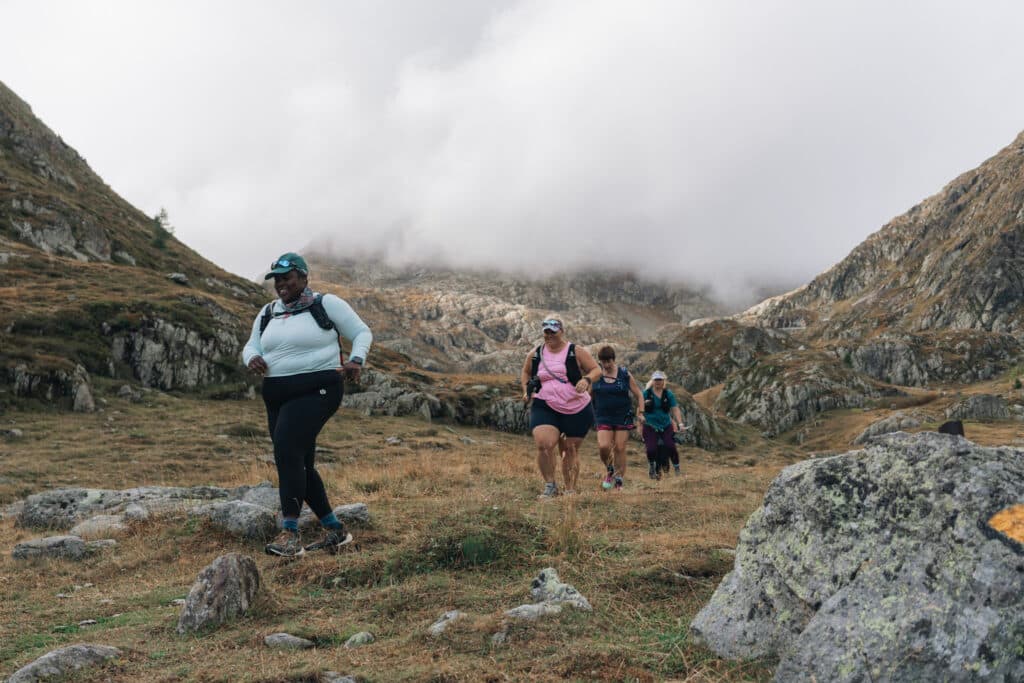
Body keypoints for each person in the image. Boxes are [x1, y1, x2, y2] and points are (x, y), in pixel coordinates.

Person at [242, 252, 373, 557]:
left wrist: (356, 360)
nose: (281, 285)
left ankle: (290, 534)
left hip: (318, 390)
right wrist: (252, 358)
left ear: (303, 277)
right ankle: (335, 530)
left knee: (286, 449)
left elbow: (361, 332)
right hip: (276, 395)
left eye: (286, 278)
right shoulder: (268, 312)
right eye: (276, 279)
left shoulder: (325, 304)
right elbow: (252, 344)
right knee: (299, 463)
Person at [520, 318, 600, 497]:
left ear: (561, 331)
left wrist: (586, 380)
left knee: (569, 449)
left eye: (552, 331)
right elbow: (525, 371)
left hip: (577, 407)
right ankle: (550, 486)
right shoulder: (535, 353)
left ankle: (570, 489)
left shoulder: (575, 351)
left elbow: (596, 370)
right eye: (546, 331)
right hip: (545, 404)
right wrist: (526, 389)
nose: (549, 335)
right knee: (544, 444)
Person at [590, 345, 645, 491]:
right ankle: (610, 470)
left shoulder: (624, 374)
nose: (606, 365)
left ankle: (619, 481)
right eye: (603, 362)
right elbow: (588, 396)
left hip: (623, 416)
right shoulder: (596, 375)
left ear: (614, 360)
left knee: (620, 447)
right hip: (603, 416)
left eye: (608, 361)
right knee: (604, 447)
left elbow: (639, 394)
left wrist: (641, 413)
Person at [642, 371, 686, 480]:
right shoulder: (646, 394)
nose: (658, 382)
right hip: (650, 426)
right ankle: (652, 467)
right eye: (656, 380)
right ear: (652, 381)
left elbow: (675, 409)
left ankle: (677, 469)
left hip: (666, 425)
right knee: (651, 449)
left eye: (660, 380)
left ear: (663, 381)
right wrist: (640, 417)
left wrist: (680, 423)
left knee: (671, 446)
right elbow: (639, 409)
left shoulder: (668, 394)